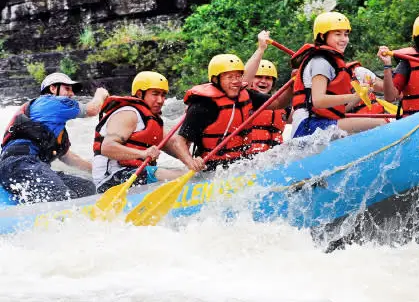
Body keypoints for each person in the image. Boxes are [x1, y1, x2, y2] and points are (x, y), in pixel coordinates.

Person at [174, 30, 292, 172]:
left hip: (244, 164)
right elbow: (180, 142)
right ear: (216, 79)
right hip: (213, 169)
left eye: (238, 76)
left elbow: (279, 103)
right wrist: (190, 162)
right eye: (229, 77)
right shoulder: (202, 106)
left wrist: (292, 83)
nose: (236, 81)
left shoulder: (247, 95)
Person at [0, 72, 109, 203]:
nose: (72, 94)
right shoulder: (50, 102)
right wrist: (100, 94)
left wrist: (99, 172)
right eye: (67, 88)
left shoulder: (55, 128)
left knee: (87, 187)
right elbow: (93, 109)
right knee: (62, 197)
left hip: (32, 166)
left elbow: (68, 158)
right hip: (19, 164)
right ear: (52, 88)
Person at [92, 71, 205, 194]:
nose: (160, 100)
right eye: (155, 94)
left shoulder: (151, 120)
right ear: (140, 94)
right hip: (110, 181)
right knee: (176, 176)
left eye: (163, 95)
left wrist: (192, 162)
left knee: (190, 174)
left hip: (136, 175)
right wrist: (143, 153)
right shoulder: (128, 114)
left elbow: (175, 145)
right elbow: (107, 148)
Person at [290, 11, 387, 138]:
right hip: (307, 126)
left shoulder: (329, 61)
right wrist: (353, 96)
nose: (344, 39)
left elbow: (337, 109)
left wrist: (362, 94)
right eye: (337, 34)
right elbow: (318, 101)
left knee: (371, 125)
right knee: (381, 123)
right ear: (322, 36)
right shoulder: (320, 62)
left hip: (318, 123)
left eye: (346, 34)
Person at [247, 59, 288, 154]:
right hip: (249, 159)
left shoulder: (282, 105)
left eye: (268, 78)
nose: (263, 81)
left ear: (273, 82)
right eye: (259, 77)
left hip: (274, 159)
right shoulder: (245, 99)